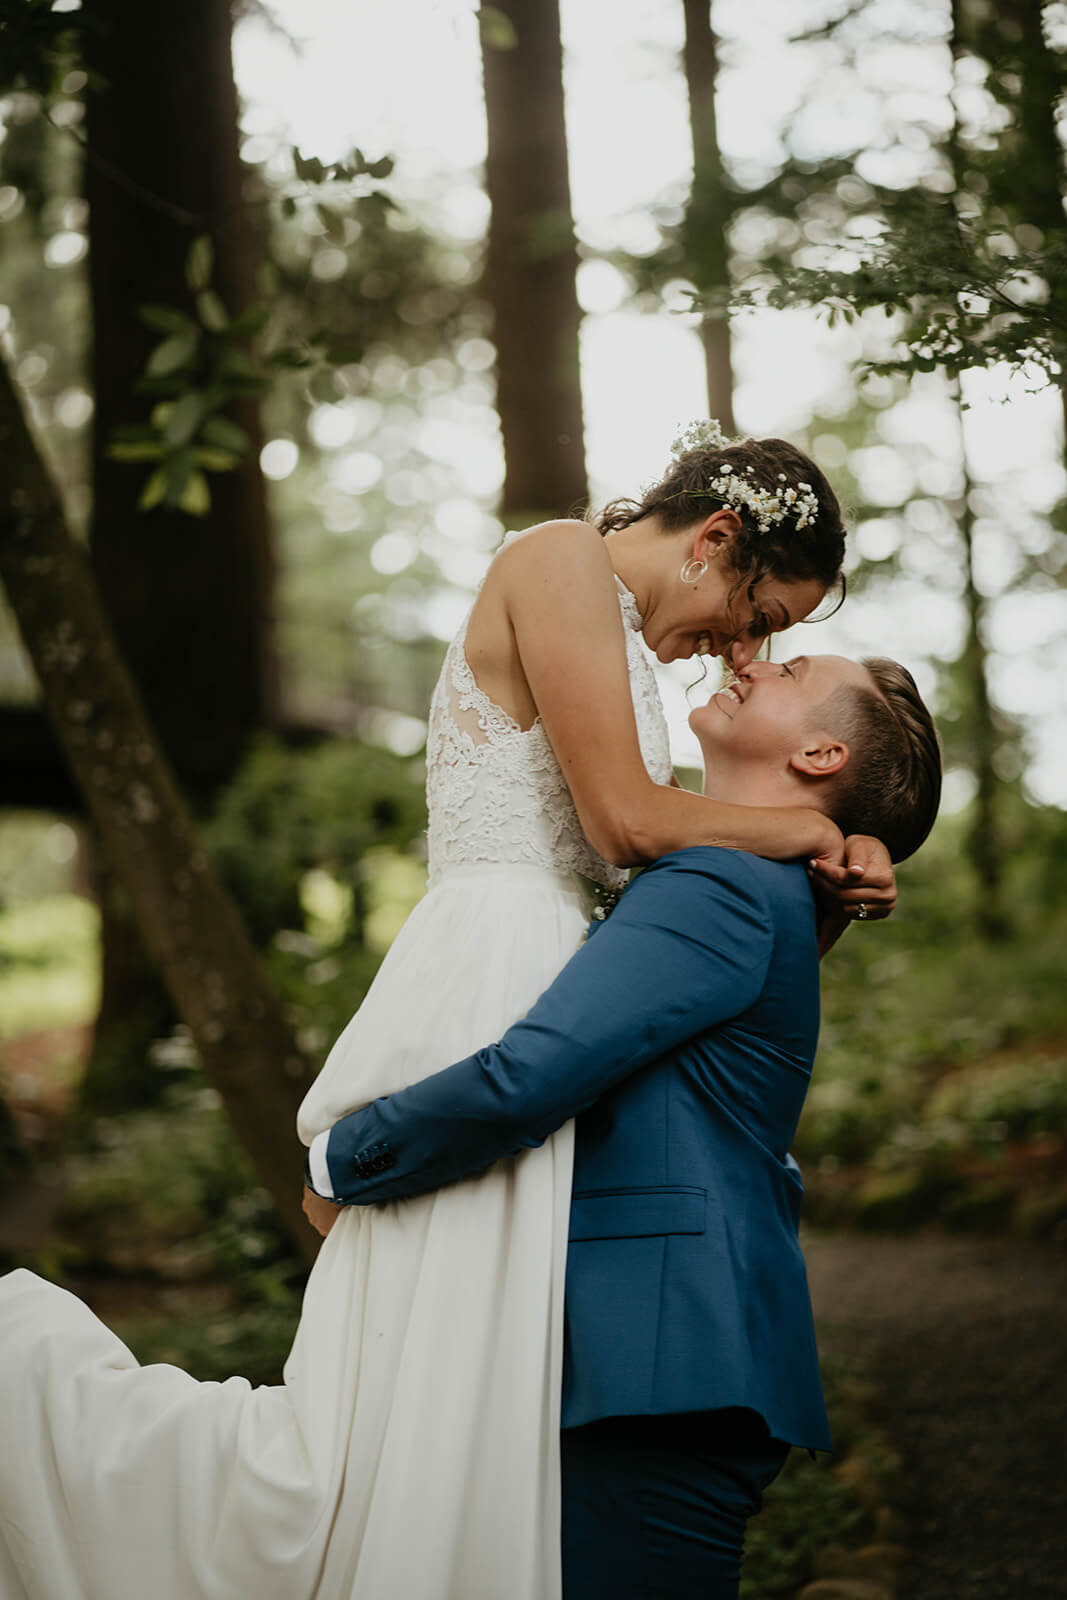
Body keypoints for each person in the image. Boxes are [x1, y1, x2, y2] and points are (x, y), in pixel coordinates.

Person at [0, 424, 894, 1600]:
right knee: (384, 1404)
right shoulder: (557, 559)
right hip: (495, 966)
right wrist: (811, 829)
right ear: (714, 540)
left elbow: (682, 878)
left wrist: (848, 842)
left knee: (451, 1394)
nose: (740, 646)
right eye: (760, 613)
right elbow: (630, 824)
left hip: (545, 963)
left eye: (766, 637)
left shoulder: (618, 638)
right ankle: (45, 1408)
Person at [304, 651, 943, 1599]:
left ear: (820, 752)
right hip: (658, 1358)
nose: (751, 661)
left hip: (654, 1364)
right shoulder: (747, 879)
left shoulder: (721, 885)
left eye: (791, 668)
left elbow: (527, 1078)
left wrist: (340, 1160)